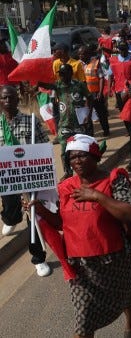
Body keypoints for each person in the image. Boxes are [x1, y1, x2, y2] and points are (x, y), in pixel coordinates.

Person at [32, 134, 131, 337]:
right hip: (81, 266)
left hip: (114, 259)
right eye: (72, 157)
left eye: (82, 156)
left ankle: (130, 323)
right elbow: (62, 223)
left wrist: (97, 196)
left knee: (125, 296)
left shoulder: (113, 179)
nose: (76, 161)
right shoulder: (65, 187)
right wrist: (41, 210)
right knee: (83, 322)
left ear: (95, 156)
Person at [0, 85, 51, 276]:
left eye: (12, 98)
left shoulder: (31, 121)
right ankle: (11, 218)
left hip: (29, 177)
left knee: (33, 215)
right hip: (7, 179)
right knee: (11, 210)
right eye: (4, 98)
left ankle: (38, 258)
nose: (8, 102)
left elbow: (45, 147)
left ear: (17, 100)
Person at [40, 65, 92, 178]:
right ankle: (68, 172)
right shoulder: (58, 85)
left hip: (79, 123)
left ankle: (85, 172)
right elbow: (47, 85)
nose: (61, 76)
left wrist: (88, 115)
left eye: (63, 73)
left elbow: (90, 98)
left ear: (70, 73)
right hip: (64, 124)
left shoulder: (79, 85)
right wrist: (37, 81)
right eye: (60, 74)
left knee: (81, 149)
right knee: (64, 149)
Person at [79, 45, 110, 136]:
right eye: (79, 54)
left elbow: (101, 78)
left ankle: (106, 130)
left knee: (101, 113)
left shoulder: (95, 63)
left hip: (96, 93)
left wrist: (100, 92)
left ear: (88, 54)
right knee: (87, 114)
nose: (81, 56)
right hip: (85, 95)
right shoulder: (78, 65)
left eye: (83, 54)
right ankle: (90, 134)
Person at [109, 41, 131, 111]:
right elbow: (110, 76)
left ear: (127, 49)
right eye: (121, 49)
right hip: (118, 89)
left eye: (124, 49)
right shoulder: (113, 60)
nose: (122, 51)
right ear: (118, 49)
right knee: (122, 110)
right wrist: (109, 90)